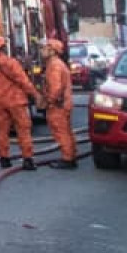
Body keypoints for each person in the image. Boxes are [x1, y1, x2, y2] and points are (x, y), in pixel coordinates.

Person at [0, 33, 41, 171]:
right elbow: (23, 81)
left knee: (2, 131)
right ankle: (28, 159)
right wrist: (35, 94)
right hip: (16, 101)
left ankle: (4, 159)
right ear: (4, 47)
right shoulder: (11, 63)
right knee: (23, 130)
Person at [39, 39, 79, 169]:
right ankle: (71, 155)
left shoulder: (54, 66)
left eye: (45, 48)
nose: (42, 51)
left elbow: (55, 88)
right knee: (66, 131)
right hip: (63, 104)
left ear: (52, 51)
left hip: (58, 106)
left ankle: (67, 159)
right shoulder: (57, 64)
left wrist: (48, 101)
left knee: (61, 131)